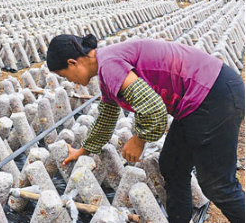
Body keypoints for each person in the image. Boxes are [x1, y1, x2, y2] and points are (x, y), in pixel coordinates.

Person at [47, 34, 245, 223]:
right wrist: (84, 149)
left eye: (64, 75)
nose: (69, 81)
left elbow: (153, 107)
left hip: (214, 95)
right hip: (201, 98)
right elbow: (107, 116)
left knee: (218, 185)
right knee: (173, 165)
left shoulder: (109, 65)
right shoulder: (106, 68)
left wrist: (139, 139)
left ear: (73, 63)